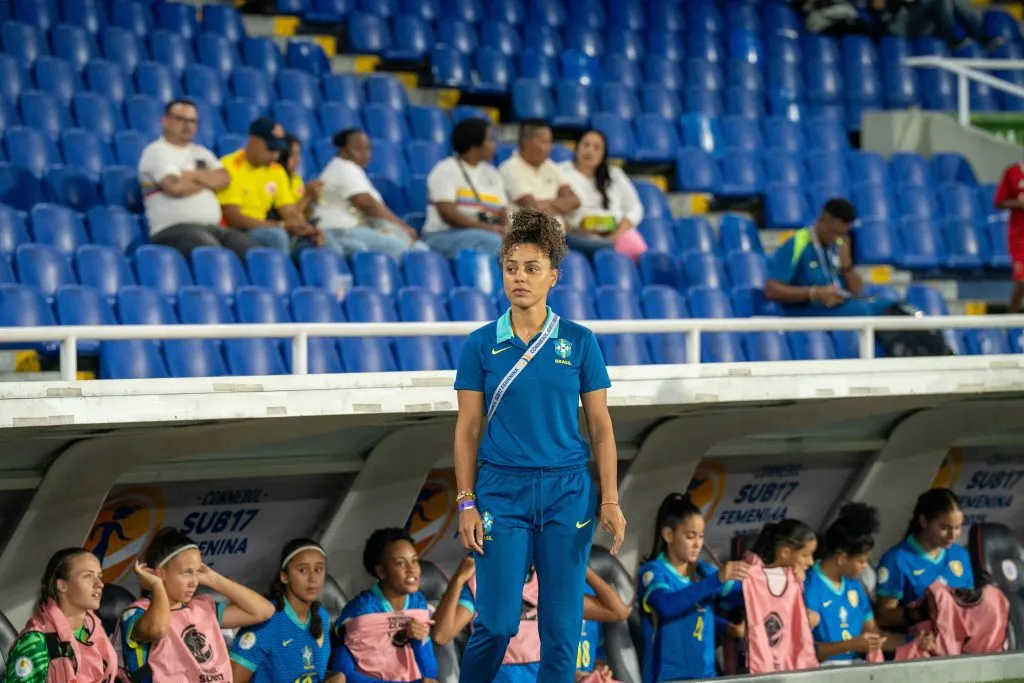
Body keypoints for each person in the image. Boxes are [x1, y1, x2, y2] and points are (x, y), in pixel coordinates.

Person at [452, 206, 626, 683]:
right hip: (500, 493)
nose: (519, 278)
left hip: (568, 491)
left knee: (562, 629)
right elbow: (467, 430)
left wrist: (609, 497)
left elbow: (602, 427)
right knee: (498, 622)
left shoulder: (581, 341)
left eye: (531, 269)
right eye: (511, 268)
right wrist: (465, 500)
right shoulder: (480, 344)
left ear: (554, 275)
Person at [117, 528, 276, 682]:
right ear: (160, 573)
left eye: (197, 571)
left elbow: (264, 611)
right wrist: (156, 585)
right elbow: (158, 629)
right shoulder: (137, 612)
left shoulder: (202, 607)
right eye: (186, 572)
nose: (194, 582)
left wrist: (213, 579)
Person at [636, 493, 748, 682]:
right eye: (690, 536)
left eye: (701, 536)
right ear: (668, 535)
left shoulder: (704, 572)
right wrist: (716, 581)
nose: (698, 544)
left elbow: (744, 594)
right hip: (667, 679)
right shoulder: (653, 572)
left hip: (707, 678)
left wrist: (773, 581)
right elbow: (666, 606)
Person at [138, 99, 255, 259]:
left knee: (252, 251)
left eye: (193, 121)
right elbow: (175, 187)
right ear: (164, 121)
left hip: (212, 228)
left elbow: (224, 180)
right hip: (172, 229)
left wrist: (189, 175)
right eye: (181, 119)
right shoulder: (156, 151)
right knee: (212, 253)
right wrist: (208, 181)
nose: (188, 125)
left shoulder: (202, 152)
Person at [805, 504, 911, 664]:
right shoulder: (809, 585)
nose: (864, 566)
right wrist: (851, 645)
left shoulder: (854, 585)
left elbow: (874, 635)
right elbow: (805, 649)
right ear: (841, 557)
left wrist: (913, 640)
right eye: (861, 561)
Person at [329, 528, 438, 683]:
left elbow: (430, 674)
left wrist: (418, 641)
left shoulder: (418, 603)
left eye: (414, 560)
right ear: (381, 571)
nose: (412, 569)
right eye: (401, 563)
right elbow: (344, 674)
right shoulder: (360, 611)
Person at [230, 538, 344, 682]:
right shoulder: (265, 623)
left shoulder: (322, 617)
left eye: (318, 569)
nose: (313, 578)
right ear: (284, 576)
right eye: (303, 570)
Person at [5, 548, 119, 682]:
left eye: (99, 576)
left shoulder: (93, 630)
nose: (100, 584)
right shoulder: (36, 642)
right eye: (88, 576)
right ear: (62, 585)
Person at [765, 198, 893, 317]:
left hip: (839, 305)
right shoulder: (797, 244)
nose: (838, 238)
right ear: (822, 220)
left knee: (890, 308)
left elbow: (857, 291)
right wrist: (814, 293)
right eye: (835, 232)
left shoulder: (839, 245)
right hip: (807, 310)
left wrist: (847, 266)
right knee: (860, 310)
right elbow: (771, 290)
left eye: (843, 234)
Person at [217, 116, 324, 252]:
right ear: (253, 141)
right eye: (270, 149)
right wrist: (280, 226)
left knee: (315, 243)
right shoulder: (228, 167)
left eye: (278, 150)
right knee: (276, 237)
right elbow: (235, 219)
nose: (275, 156)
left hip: (265, 228)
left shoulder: (276, 170)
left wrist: (304, 227)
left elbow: (289, 210)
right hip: (236, 232)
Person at [315, 129, 425, 260]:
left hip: (357, 229)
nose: (365, 154)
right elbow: (365, 203)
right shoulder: (343, 167)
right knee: (396, 247)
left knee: (420, 249)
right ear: (343, 150)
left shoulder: (353, 169)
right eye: (358, 149)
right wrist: (400, 225)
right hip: (340, 230)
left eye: (367, 149)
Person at [874, 488, 974, 631]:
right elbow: (883, 616)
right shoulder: (897, 559)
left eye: (958, 527)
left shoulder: (960, 555)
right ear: (924, 521)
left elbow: (969, 604)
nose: (953, 535)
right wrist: (920, 613)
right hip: (915, 647)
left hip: (957, 647)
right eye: (945, 527)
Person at [422, 118, 507, 259]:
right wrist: (488, 229)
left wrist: (506, 229)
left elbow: (503, 212)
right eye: (490, 140)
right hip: (444, 235)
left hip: (486, 233)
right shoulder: (445, 169)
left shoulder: (493, 174)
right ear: (475, 144)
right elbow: (448, 214)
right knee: (493, 242)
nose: (495, 145)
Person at [557, 129, 648, 261]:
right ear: (576, 148)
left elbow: (635, 207)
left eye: (596, 147)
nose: (590, 151)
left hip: (615, 231)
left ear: (603, 154)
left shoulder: (614, 174)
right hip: (578, 234)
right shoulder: (560, 172)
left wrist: (618, 232)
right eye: (586, 145)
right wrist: (572, 228)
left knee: (638, 249)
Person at [498, 119, 580, 225]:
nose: (549, 146)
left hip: (558, 236)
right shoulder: (509, 168)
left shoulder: (551, 167)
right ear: (526, 142)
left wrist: (546, 204)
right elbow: (533, 207)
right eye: (544, 142)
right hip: (526, 235)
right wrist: (560, 208)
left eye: (550, 142)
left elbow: (575, 201)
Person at [994, 160, 1024, 312]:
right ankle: (1012, 322)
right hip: (1020, 237)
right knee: (1021, 280)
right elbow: (999, 202)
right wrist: (1019, 204)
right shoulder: (1012, 173)